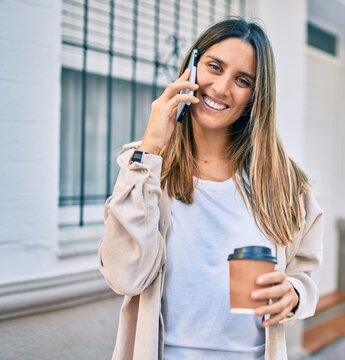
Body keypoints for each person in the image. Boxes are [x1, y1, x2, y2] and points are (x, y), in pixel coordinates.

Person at [99, 17, 323, 360]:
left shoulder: (284, 182)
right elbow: (125, 276)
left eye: (242, 80)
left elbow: (302, 274)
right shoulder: (145, 167)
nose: (220, 88)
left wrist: (293, 294)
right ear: (191, 67)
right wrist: (151, 148)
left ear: (255, 96)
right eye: (214, 67)